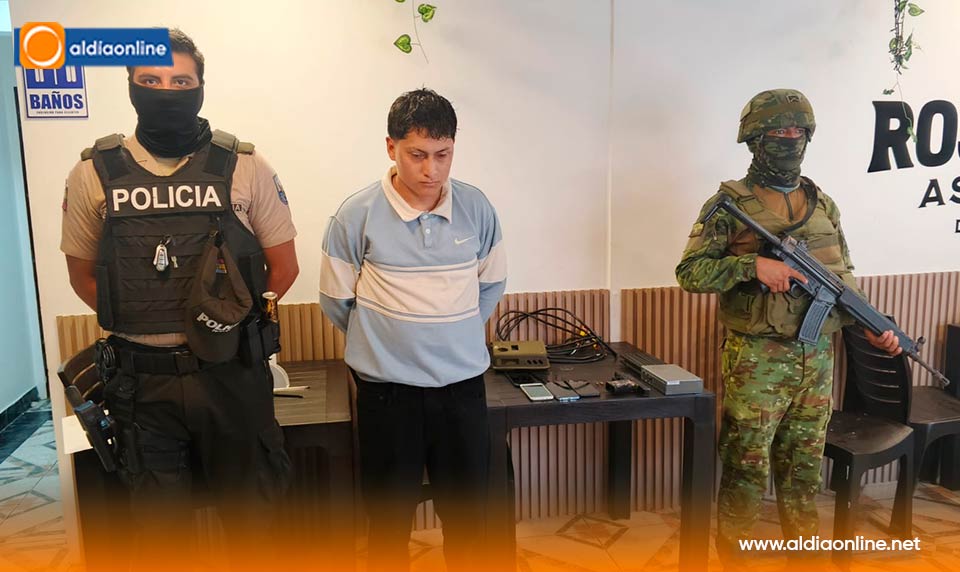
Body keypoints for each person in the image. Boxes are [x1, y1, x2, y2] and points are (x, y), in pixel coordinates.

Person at [61, 28, 298, 571]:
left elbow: (283, 268)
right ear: (130, 85)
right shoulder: (93, 172)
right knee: (160, 538)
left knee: (255, 529)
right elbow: (83, 277)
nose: (166, 91)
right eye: (151, 80)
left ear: (200, 86)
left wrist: (220, 325)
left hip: (231, 376)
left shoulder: (246, 165)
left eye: (180, 81)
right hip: (142, 387)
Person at [675, 89, 901, 568]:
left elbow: (843, 277)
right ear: (755, 139)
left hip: (816, 361)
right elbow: (690, 272)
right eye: (779, 131)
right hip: (757, 360)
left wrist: (871, 326)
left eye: (798, 130)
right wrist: (751, 266)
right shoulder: (728, 204)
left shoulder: (824, 205)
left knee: (803, 473)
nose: (790, 138)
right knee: (746, 468)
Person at [318, 88, 507, 572]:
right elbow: (336, 300)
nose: (431, 170)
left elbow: (491, 285)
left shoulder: (477, 208)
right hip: (387, 393)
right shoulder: (355, 214)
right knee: (387, 523)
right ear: (391, 147)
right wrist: (386, 343)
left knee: (469, 522)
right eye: (417, 155)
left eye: (443, 154)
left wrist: (453, 333)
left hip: (462, 388)